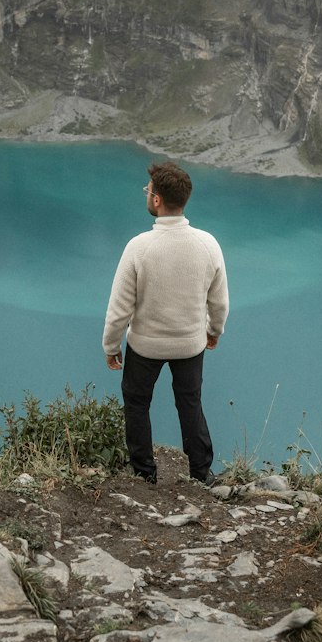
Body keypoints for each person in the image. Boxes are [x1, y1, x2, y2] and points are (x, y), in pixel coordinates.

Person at [103, 161, 228, 486]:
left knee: (137, 403)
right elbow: (220, 302)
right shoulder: (208, 244)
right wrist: (214, 331)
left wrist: (111, 346)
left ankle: (144, 474)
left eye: (149, 191)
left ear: (157, 200)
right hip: (190, 343)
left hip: (146, 345)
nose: (147, 195)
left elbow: (119, 308)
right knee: (190, 403)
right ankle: (201, 474)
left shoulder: (139, 247)